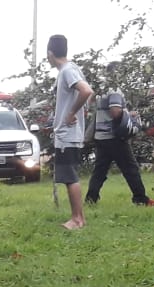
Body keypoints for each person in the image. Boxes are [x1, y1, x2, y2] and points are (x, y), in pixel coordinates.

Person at [85, 67, 154, 207]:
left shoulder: (99, 92)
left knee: (100, 171)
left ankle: (91, 199)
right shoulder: (114, 91)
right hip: (115, 137)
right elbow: (115, 111)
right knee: (131, 169)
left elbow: (92, 107)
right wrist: (128, 114)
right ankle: (141, 199)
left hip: (101, 137)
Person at [46, 35, 94, 230]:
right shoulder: (72, 69)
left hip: (67, 134)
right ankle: (79, 218)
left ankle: (77, 219)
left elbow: (86, 91)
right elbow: (87, 94)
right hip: (68, 134)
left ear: (50, 53)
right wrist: (82, 110)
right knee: (69, 176)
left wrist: (72, 113)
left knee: (69, 176)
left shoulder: (67, 71)